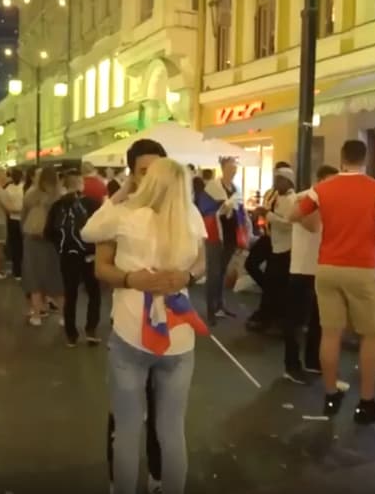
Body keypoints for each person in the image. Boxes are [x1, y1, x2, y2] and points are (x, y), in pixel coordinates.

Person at [83, 157, 207, 494]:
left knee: (126, 429)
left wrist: (122, 190)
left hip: (131, 333)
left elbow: (88, 231)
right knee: (172, 430)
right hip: (179, 335)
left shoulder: (124, 215)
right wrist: (187, 276)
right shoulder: (190, 216)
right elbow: (201, 261)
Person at [292, 140, 375, 423]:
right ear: (365, 159)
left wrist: (325, 218)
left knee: (330, 333)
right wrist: (371, 223)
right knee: (371, 335)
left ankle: (330, 394)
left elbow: (294, 214)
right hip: (361, 269)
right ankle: (366, 403)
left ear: (341, 159)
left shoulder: (322, 188)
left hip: (327, 267)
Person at [93, 139, 167, 494]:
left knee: (163, 409)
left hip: (170, 328)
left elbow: (196, 261)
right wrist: (129, 279)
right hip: (127, 326)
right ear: (132, 174)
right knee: (125, 410)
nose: (151, 178)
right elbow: (101, 267)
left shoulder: (178, 212)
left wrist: (188, 275)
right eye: (142, 171)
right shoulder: (118, 214)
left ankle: (158, 474)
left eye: (157, 170)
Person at [285, 165, 338, 381]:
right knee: (297, 321)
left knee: (319, 320)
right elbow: (313, 225)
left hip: (323, 267)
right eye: (330, 182)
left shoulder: (331, 202)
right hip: (302, 269)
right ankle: (291, 365)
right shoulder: (302, 198)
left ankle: (313, 361)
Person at [45, 169, 102, 347]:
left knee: (70, 294)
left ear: (65, 184)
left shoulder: (57, 205)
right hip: (89, 255)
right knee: (94, 293)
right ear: (80, 184)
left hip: (67, 256)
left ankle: (71, 334)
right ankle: (91, 330)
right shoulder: (92, 204)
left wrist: (61, 247)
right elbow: (101, 229)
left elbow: (48, 232)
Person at [248, 166, 296, 337]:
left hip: (284, 248)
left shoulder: (292, 200)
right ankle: (269, 317)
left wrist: (267, 214)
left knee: (276, 285)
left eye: (279, 180)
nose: (276, 183)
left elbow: (288, 223)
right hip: (275, 244)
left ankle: (273, 319)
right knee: (271, 284)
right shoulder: (277, 197)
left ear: (287, 181)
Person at [202, 157, 247, 323]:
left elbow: (241, 211)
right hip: (215, 235)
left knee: (222, 271)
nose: (233, 171)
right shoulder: (212, 187)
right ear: (223, 168)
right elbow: (205, 210)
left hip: (230, 235)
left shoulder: (235, 188)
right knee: (213, 272)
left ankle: (220, 304)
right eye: (230, 168)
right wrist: (222, 208)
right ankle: (210, 309)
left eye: (234, 169)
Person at [21, 165, 64, 326]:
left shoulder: (31, 195)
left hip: (32, 240)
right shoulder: (59, 196)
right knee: (56, 278)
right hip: (53, 241)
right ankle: (64, 316)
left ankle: (37, 315)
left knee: (34, 278)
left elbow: (23, 216)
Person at [5, 168, 25, 280]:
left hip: (12, 219)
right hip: (22, 219)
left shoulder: (8, 189)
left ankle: (17, 271)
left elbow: (6, 205)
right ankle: (23, 270)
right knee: (22, 246)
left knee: (15, 246)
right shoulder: (24, 187)